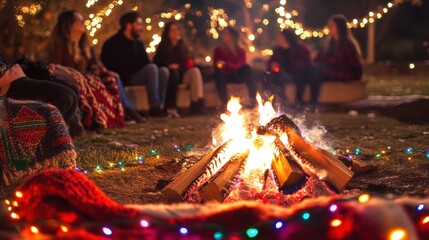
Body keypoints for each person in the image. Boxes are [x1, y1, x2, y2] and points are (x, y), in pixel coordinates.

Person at [49, 10, 128, 129]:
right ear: (69, 24)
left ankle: (119, 115)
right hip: (71, 77)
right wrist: (74, 74)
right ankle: (97, 118)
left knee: (109, 78)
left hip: (86, 76)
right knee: (90, 82)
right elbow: (55, 66)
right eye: (79, 20)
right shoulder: (59, 42)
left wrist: (101, 70)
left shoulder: (85, 44)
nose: (83, 23)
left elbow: (96, 64)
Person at [101, 11, 169, 117]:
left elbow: (145, 63)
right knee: (151, 68)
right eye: (138, 24)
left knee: (163, 70)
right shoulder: (112, 43)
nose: (140, 27)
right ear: (128, 25)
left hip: (138, 75)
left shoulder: (138, 44)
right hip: (125, 78)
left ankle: (160, 106)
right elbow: (111, 66)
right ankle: (154, 106)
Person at [0, 57, 78, 125]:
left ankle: (51, 132)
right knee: (66, 97)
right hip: (6, 84)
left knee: (71, 95)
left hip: (13, 74)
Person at [153, 21, 205, 117]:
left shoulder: (184, 47)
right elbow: (158, 63)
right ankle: (170, 107)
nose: (176, 32)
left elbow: (189, 63)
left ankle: (197, 104)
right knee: (173, 72)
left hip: (183, 74)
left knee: (195, 71)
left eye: (177, 30)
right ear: (167, 33)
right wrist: (170, 66)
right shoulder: (162, 47)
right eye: (172, 30)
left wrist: (181, 65)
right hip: (170, 75)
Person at [266, 29, 320, 108]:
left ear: (286, 37)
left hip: (298, 73)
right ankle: (282, 103)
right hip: (282, 73)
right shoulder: (277, 50)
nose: (278, 38)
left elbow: (306, 62)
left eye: (281, 37)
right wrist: (273, 65)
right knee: (272, 76)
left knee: (301, 71)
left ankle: (299, 102)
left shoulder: (300, 48)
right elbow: (271, 63)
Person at [213, 27, 257, 108]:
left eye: (225, 33)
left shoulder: (240, 51)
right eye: (223, 33)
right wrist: (220, 65)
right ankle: (225, 103)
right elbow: (215, 65)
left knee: (247, 68)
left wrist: (226, 64)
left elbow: (240, 64)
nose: (223, 35)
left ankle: (252, 99)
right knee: (218, 72)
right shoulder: (218, 50)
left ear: (232, 36)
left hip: (237, 75)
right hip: (225, 76)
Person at [316, 14, 363, 82]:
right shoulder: (331, 43)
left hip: (348, 74)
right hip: (336, 71)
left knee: (318, 69)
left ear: (339, 26)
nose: (329, 27)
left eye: (332, 25)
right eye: (329, 25)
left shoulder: (347, 44)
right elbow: (326, 58)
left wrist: (321, 61)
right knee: (314, 69)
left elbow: (338, 62)